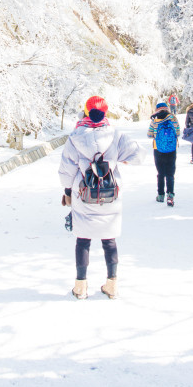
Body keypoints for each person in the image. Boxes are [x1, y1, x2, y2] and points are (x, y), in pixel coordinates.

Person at [59, 95, 143, 300]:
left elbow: (66, 170)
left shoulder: (76, 137)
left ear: (85, 112)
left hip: (83, 194)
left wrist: (68, 192)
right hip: (110, 195)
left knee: (83, 240)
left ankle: (80, 287)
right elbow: (139, 155)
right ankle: (112, 284)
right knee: (109, 239)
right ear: (105, 113)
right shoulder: (115, 135)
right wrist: (121, 161)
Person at [147, 99, 180, 206]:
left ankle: (160, 195)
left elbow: (149, 135)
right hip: (172, 149)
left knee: (161, 173)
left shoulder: (154, 120)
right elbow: (178, 133)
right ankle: (170, 195)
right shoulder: (173, 118)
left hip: (158, 149)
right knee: (170, 173)